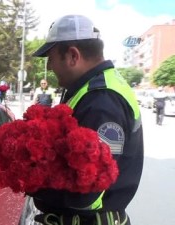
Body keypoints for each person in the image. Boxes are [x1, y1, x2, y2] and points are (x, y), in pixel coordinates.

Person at [30, 14, 144, 225]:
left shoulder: (101, 101)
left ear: (73, 55)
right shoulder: (89, 89)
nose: (51, 67)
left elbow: (88, 192)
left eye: (51, 58)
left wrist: (32, 181)